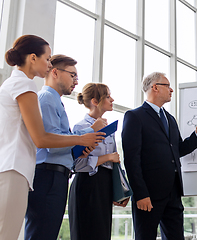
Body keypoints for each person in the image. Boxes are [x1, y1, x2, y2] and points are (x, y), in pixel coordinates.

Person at [0, 35, 103, 240]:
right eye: (47, 59)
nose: (49, 64)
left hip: (15, 167)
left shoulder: (16, 84)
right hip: (16, 167)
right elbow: (41, 138)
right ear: (32, 58)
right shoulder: (25, 86)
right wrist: (81, 139)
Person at [25, 54, 108, 240]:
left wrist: (79, 148)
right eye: (73, 75)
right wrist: (86, 134)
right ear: (55, 72)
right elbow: (51, 143)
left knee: (46, 232)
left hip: (57, 176)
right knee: (41, 234)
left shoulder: (55, 100)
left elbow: (60, 143)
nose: (76, 82)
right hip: (47, 176)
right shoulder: (46, 98)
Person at [122, 72, 197, 240]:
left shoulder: (169, 119)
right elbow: (132, 160)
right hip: (148, 194)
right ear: (155, 87)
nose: (171, 90)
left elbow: (178, 150)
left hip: (173, 193)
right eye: (167, 86)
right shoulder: (135, 116)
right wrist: (140, 194)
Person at [68, 83, 129, 240]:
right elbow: (78, 164)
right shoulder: (81, 127)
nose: (112, 99)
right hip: (87, 185)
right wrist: (107, 158)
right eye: (108, 96)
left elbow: (114, 163)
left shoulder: (108, 127)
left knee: (102, 233)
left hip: (104, 184)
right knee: (85, 233)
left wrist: (121, 190)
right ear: (95, 101)